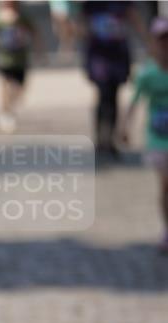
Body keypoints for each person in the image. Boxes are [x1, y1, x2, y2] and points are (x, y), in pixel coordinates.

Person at [120, 17, 168, 252]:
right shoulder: (148, 74)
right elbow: (134, 102)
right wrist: (125, 127)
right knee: (166, 185)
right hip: (158, 138)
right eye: (162, 40)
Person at [79, 0, 149, 158]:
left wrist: (149, 44)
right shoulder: (91, 4)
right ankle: (100, 138)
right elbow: (82, 25)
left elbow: (135, 20)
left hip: (118, 56)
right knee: (103, 95)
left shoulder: (123, 2)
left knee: (114, 96)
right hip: (99, 56)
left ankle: (110, 140)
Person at [0, 0, 40, 134]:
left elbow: (34, 33)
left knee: (20, 89)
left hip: (21, 59)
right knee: (5, 85)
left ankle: (11, 107)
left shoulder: (23, 16)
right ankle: (6, 113)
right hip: (3, 59)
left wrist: (40, 51)